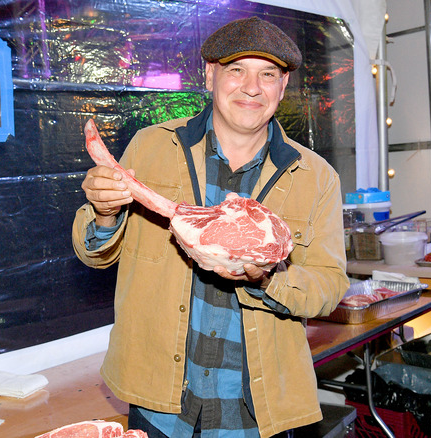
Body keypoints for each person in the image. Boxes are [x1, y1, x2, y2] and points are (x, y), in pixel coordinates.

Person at [71, 16, 349, 437]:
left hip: (255, 412)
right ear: (210, 74)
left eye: (267, 74)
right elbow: (94, 253)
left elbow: (329, 287)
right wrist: (105, 213)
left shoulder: (315, 176)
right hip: (160, 402)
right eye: (237, 70)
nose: (251, 87)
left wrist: (266, 278)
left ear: (283, 86)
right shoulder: (151, 146)